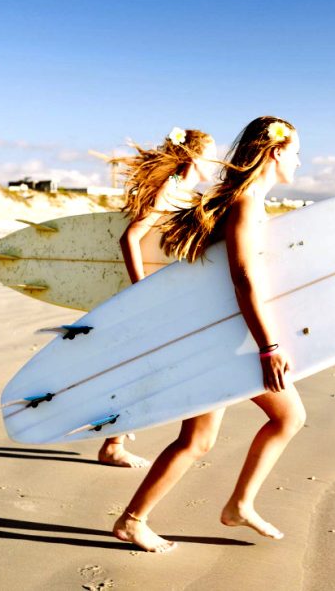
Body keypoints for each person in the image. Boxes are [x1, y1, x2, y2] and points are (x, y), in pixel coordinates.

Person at [112, 116, 304, 552]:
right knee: (273, 420)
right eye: (295, 151)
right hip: (226, 340)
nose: (299, 161)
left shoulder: (247, 199)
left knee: (211, 436)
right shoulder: (246, 202)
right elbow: (242, 278)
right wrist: (268, 346)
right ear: (275, 151)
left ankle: (236, 505)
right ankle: (139, 519)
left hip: (223, 335)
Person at [97, 127, 218, 468]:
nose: (216, 160)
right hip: (151, 298)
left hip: (168, 297)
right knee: (139, 369)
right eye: (211, 153)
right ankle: (112, 444)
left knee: (141, 367)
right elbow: (130, 237)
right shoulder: (171, 190)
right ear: (194, 157)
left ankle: (113, 441)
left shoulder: (191, 195)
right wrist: (142, 289)